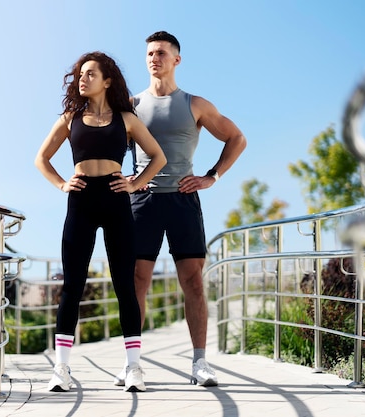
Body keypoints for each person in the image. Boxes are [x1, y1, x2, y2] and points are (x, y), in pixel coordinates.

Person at [114, 31, 247, 387]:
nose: (153, 58)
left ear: (176, 60)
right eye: (149, 54)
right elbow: (106, 144)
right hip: (142, 201)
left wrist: (212, 176)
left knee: (192, 282)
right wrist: (124, 179)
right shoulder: (130, 105)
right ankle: (132, 364)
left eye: (160, 53)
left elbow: (237, 138)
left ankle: (200, 362)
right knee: (137, 281)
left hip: (183, 199)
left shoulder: (195, 104)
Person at [35, 51, 167, 393]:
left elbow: (158, 157)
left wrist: (135, 184)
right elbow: (42, 159)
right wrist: (63, 183)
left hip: (115, 199)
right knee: (73, 285)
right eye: (80, 74)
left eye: (90, 73)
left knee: (124, 284)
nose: (82, 78)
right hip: (81, 200)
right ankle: (61, 369)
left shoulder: (126, 119)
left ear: (107, 80)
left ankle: (134, 368)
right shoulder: (69, 117)